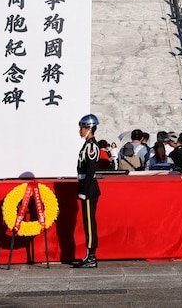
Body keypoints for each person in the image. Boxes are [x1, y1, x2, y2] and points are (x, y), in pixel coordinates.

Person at [74, 113, 103, 268]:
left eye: (83, 127)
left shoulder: (91, 146)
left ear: (89, 128)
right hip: (87, 186)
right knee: (87, 222)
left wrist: (84, 190)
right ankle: (89, 255)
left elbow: (91, 170)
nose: (80, 130)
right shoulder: (87, 145)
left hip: (89, 188)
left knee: (90, 223)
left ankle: (91, 257)